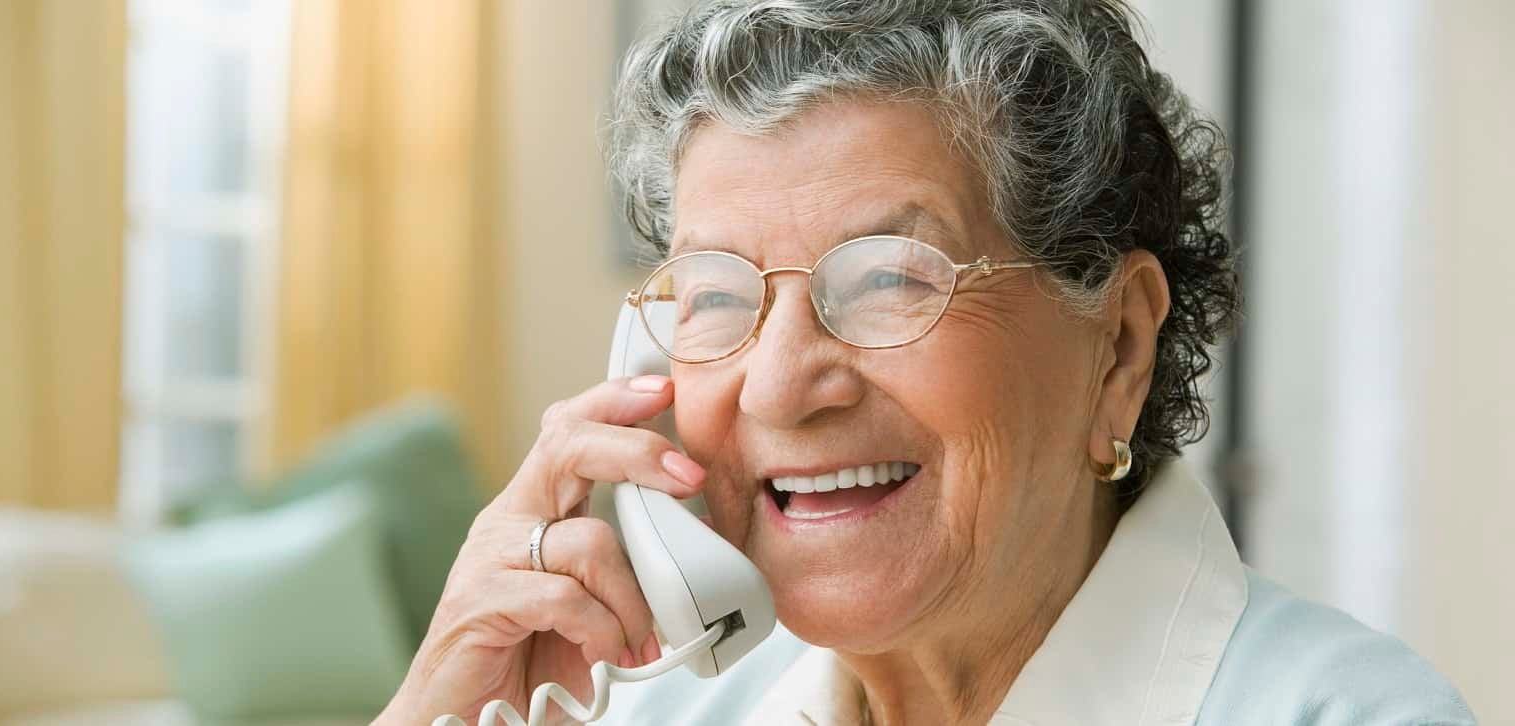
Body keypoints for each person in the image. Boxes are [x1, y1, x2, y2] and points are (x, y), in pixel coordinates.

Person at [376, 1, 1475, 724]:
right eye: (715, 297)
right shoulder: (651, 708)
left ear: (1121, 349)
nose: (778, 386)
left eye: (892, 280)